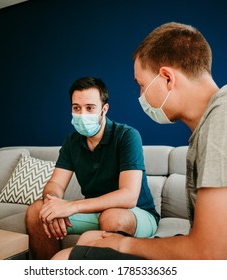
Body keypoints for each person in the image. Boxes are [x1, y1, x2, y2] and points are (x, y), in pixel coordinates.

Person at [53, 22, 227, 260]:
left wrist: (125, 244)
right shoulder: (217, 120)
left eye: (142, 85)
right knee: (84, 244)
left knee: (64, 260)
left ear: (167, 78)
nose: (141, 96)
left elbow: (208, 254)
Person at [25, 76, 160, 260]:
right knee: (37, 212)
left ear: (104, 109)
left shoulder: (127, 136)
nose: (82, 114)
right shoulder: (72, 141)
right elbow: (55, 183)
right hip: (95, 212)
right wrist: (53, 204)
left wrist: (72, 206)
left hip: (136, 213)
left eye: (90, 108)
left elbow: (129, 196)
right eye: (76, 108)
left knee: (112, 217)